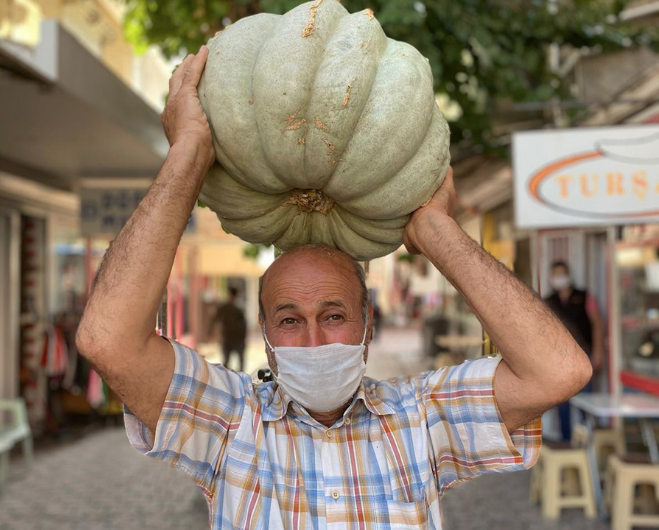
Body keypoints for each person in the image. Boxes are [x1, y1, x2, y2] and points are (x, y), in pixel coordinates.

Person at [76, 47, 592, 529]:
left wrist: (436, 232)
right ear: (267, 336)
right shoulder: (230, 422)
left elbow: (559, 371)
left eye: (335, 314)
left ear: (369, 328)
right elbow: (107, 340)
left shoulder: (421, 418)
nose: (315, 340)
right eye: (290, 319)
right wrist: (189, 153)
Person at [545, 260, 605, 440]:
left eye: (562, 274)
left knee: (586, 402)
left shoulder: (584, 296)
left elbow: (597, 324)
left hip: (584, 356)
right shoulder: (548, 301)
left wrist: (598, 352)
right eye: (556, 275)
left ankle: (588, 443)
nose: (559, 278)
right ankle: (566, 444)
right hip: (560, 360)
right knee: (563, 404)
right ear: (551, 278)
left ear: (568, 275)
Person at [209, 287, 247, 371]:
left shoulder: (226, 308)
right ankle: (240, 378)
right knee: (238, 361)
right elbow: (244, 325)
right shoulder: (238, 309)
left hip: (230, 337)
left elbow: (214, 320)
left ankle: (227, 379)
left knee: (228, 361)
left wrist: (211, 333)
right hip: (235, 338)